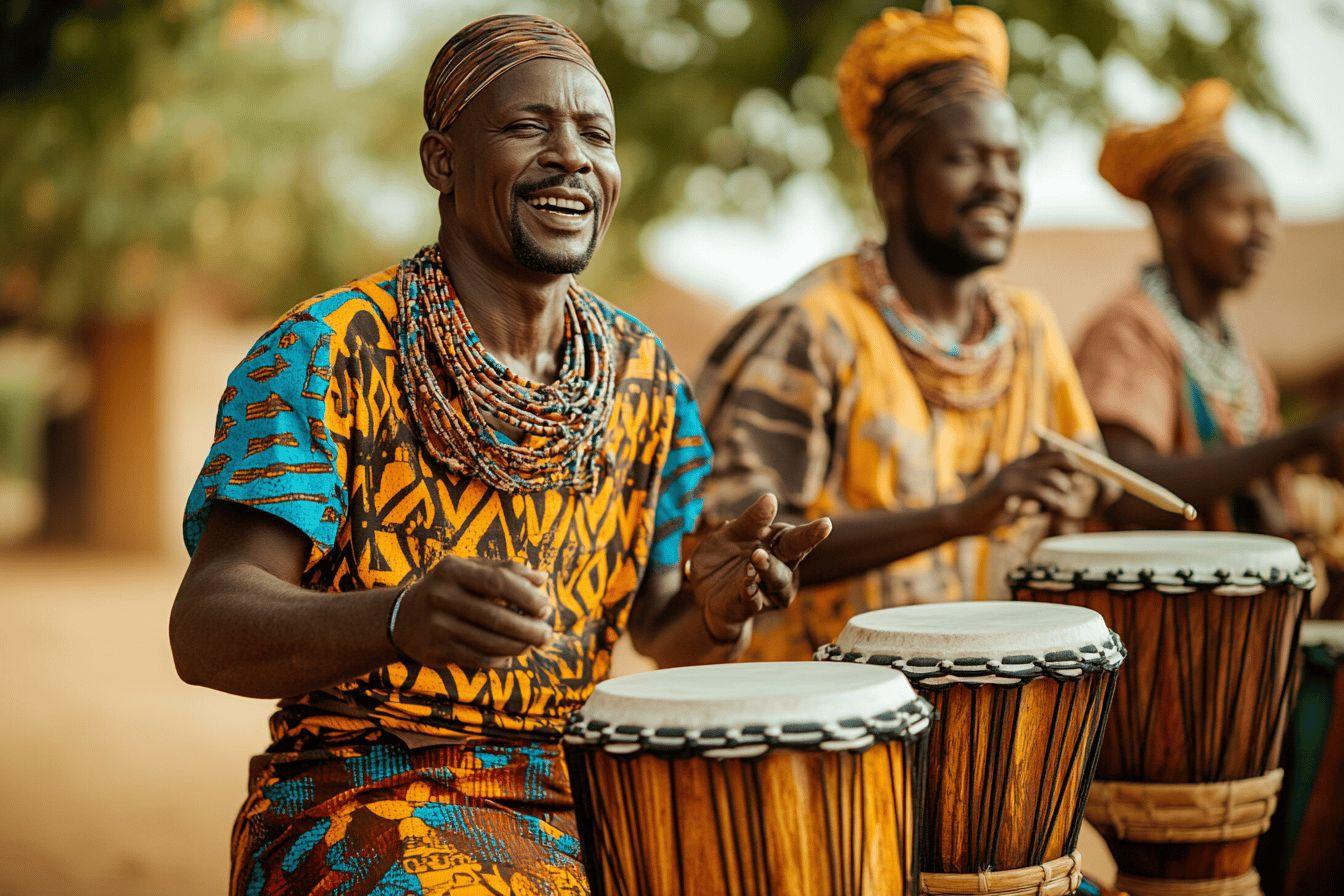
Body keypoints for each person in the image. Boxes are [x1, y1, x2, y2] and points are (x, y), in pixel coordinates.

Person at [168, 15, 830, 895]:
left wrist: (713, 610)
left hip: (581, 796)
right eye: (528, 128)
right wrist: (398, 618)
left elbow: (659, 633)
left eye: (597, 134)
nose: (572, 157)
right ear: (441, 161)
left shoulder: (643, 377)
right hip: (358, 796)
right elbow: (206, 628)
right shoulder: (328, 351)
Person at [695, 0, 1109, 663]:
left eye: (1011, 161)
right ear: (891, 178)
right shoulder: (811, 325)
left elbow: (1094, 492)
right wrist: (960, 515)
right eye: (965, 159)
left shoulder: (1029, 328)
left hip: (1002, 712)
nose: (999, 184)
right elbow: (746, 551)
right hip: (828, 724)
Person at [1076, 79, 1344, 537]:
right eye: (1238, 209)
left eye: (1267, 213)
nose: (1263, 231)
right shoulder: (1129, 331)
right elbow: (1127, 489)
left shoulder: (1232, 347)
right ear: (1171, 217)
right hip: (1152, 604)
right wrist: (1300, 441)